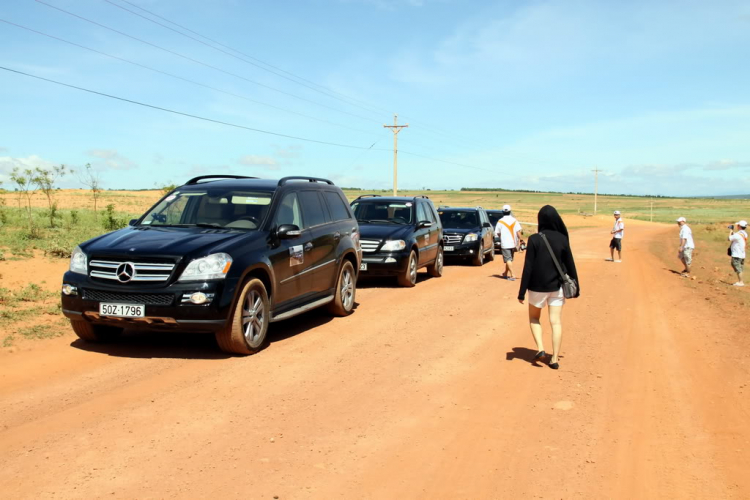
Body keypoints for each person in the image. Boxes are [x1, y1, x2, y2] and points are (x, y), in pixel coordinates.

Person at [518, 205, 579, 370]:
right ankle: (554, 358)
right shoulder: (562, 239)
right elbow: (570, 265)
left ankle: (540, 348)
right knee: (556, 322)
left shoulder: (535, 239)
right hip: (557, 287)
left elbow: (528, 267)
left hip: (537, 287)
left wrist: (521, 292)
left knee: (534, 318)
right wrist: (577, 287)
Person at [495, 204, 523, 281]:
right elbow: (518, 232)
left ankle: (513, 274)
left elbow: (497, 232)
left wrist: (501, 237)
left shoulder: (500, 221)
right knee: (509, 259)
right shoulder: (514, 220)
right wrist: (521, 240)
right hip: (513, 243)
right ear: (510, 212)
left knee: (508, 259)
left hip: (505, 243)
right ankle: (505, 273)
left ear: (502, 212)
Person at [728, 220, 747, 287]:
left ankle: (741, 282)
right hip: (742, 254)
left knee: (737, 267)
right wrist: (733, 232)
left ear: (739, 226)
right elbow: (736, 237)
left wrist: (730, 231)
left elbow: (729, 238)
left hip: (737, 254)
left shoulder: (737, 235)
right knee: (739, 267)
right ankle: (740, 281)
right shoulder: (744, 234)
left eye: (737, 225)